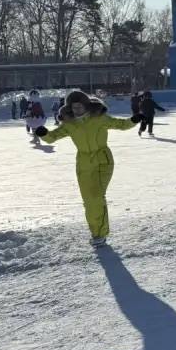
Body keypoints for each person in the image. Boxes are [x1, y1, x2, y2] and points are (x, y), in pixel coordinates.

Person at [34, 90, 141, 246]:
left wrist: (134, 119)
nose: (77, 110)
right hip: (83, 164)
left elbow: (121, 125)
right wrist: (43, 133)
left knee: (97, 197)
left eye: (79, 106)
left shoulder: (99, 118)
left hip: (103, 161)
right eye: (74, 107)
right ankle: (95, 232)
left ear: (86, 105)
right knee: (88, 201)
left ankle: (101, 233)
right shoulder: (70, 124)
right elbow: (52, 138)